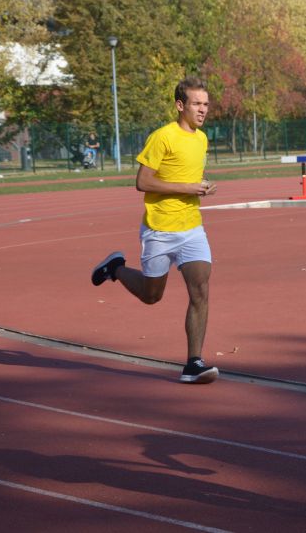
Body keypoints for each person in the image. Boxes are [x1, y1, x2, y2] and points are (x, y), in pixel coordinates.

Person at [91, 77, 219, 384]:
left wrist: (199, 189)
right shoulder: (162, 137)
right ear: (180, 105)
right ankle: (116, 268)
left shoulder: (201, 139)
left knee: (200, 290)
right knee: (152, 296)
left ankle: (193, 363)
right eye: (196, 104)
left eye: (206, 104)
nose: (203, 110)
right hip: (159, 230)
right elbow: (143, 182)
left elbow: (185, 177)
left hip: (192, 229)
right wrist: (188, 186)